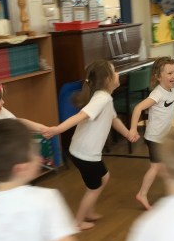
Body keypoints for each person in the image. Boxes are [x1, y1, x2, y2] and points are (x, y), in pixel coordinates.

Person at [43, 60, 137, 230]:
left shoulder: (104, 98)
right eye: (114, 72)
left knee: (103, 178)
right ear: (107, 79)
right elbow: (80, 116)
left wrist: (128, 134)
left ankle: (89, 211)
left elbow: (114, 119)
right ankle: (78, 222)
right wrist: (57, 129)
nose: (117, 74)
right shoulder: (102, 99)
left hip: (83, 152)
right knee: (95, 186)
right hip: (85, 154)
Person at [128, 57, 174, 210]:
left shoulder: (172, 92)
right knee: (156, 167)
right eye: (169, 73)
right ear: (158, 77)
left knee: (164, 166)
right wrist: (133, 129)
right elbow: (138, 108)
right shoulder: (157, 94)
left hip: (164, 137)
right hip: (154, 138)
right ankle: (142, 194)